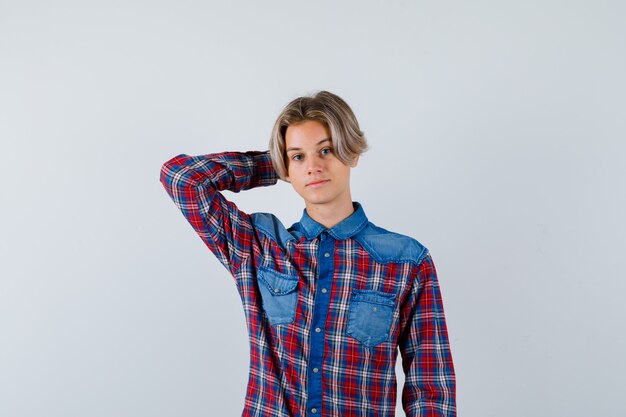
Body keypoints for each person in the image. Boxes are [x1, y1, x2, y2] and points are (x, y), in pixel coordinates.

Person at [159, 91, 456, 416]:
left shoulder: (406, 260)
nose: (313, 167)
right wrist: (277, 163)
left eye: (326, 150)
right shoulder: (257, 247)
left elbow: (431, 387)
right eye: (298, 156)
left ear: (352, 152)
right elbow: (182, 178)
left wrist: (295, 159)